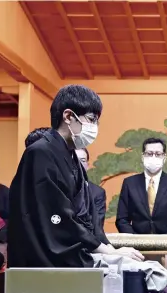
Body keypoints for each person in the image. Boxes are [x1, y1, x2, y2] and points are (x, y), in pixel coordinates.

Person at [9, 85, 143, 268]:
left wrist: (107, 248)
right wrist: (106, 251)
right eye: (91, 119)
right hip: (51, 256)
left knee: (148, 272)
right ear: (68, 116)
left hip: (78, 248)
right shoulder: (40, 153)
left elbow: (88, 216)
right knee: (142, 273)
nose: (95, 127)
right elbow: (57, 215)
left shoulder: (71, 157)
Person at [116, 138, 167, 234]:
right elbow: (122, 219)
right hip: (136, 244)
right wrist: (135, 240)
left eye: (158, 154)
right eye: (149, 153)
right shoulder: (129, 183)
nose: (153, 157)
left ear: (164, 158)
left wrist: (165, 240)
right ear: (143, 157)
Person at [75, 147, 109, 243]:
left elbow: (97, 224)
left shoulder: (97, 192)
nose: (79, 164)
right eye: (75, 160)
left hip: (90, 242)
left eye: (83, 160)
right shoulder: (60, 187)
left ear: (88, 165)